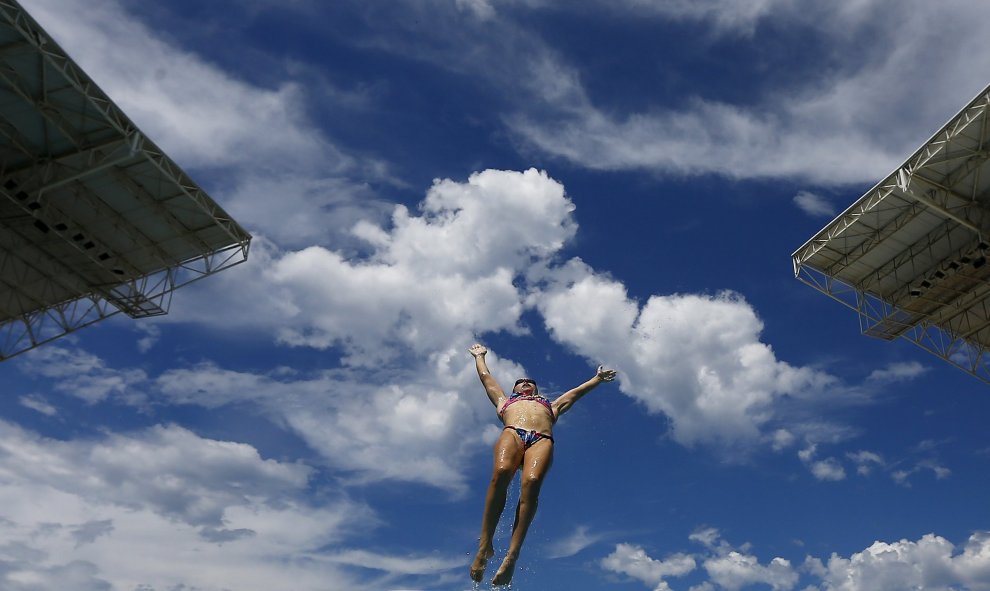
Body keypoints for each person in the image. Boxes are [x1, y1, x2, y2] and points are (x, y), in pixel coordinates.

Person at [468, 343, 617, 586]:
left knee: (532, 482)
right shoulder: (505, 402)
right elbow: (486, 378)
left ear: (537, 389)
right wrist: (480, 356)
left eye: (530, 381)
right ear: (515, 389)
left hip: (541, 439)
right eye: (520, 381)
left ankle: (511, 557)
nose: (525, 382)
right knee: (502, 471)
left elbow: (575, 393)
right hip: (513, 433)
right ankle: (485, 545)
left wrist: (597, 379)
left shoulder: (550, 406)